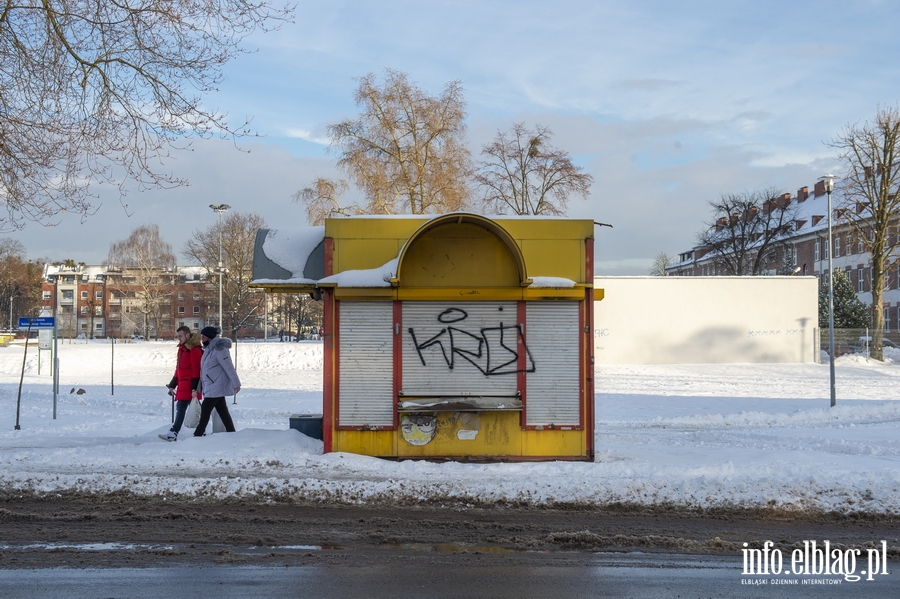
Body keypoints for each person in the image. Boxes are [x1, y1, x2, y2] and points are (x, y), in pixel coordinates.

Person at [193, 326, 239, 437]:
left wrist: (236, 383)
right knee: (223, 411)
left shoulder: (219, 349)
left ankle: (198, 434)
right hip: (212, 384)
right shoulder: (209, 349)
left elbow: (229, 367)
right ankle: (232, 433)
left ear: (209, 337)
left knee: (205, 409)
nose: (201, 339)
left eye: (203, 337)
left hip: (217, 384)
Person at [159, 326, 202, 442]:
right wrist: (172, 385)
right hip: (183, 384)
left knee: (186, 408)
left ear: (187, 335)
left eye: (180, 336)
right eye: (178, 336)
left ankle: (175, 432)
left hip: (189, 385)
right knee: (192, 409)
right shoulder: (182, 349)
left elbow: (196, 370)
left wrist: (194, 389)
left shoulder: (194, 350)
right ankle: (199, 431)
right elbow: (178, 370)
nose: (179, 338)